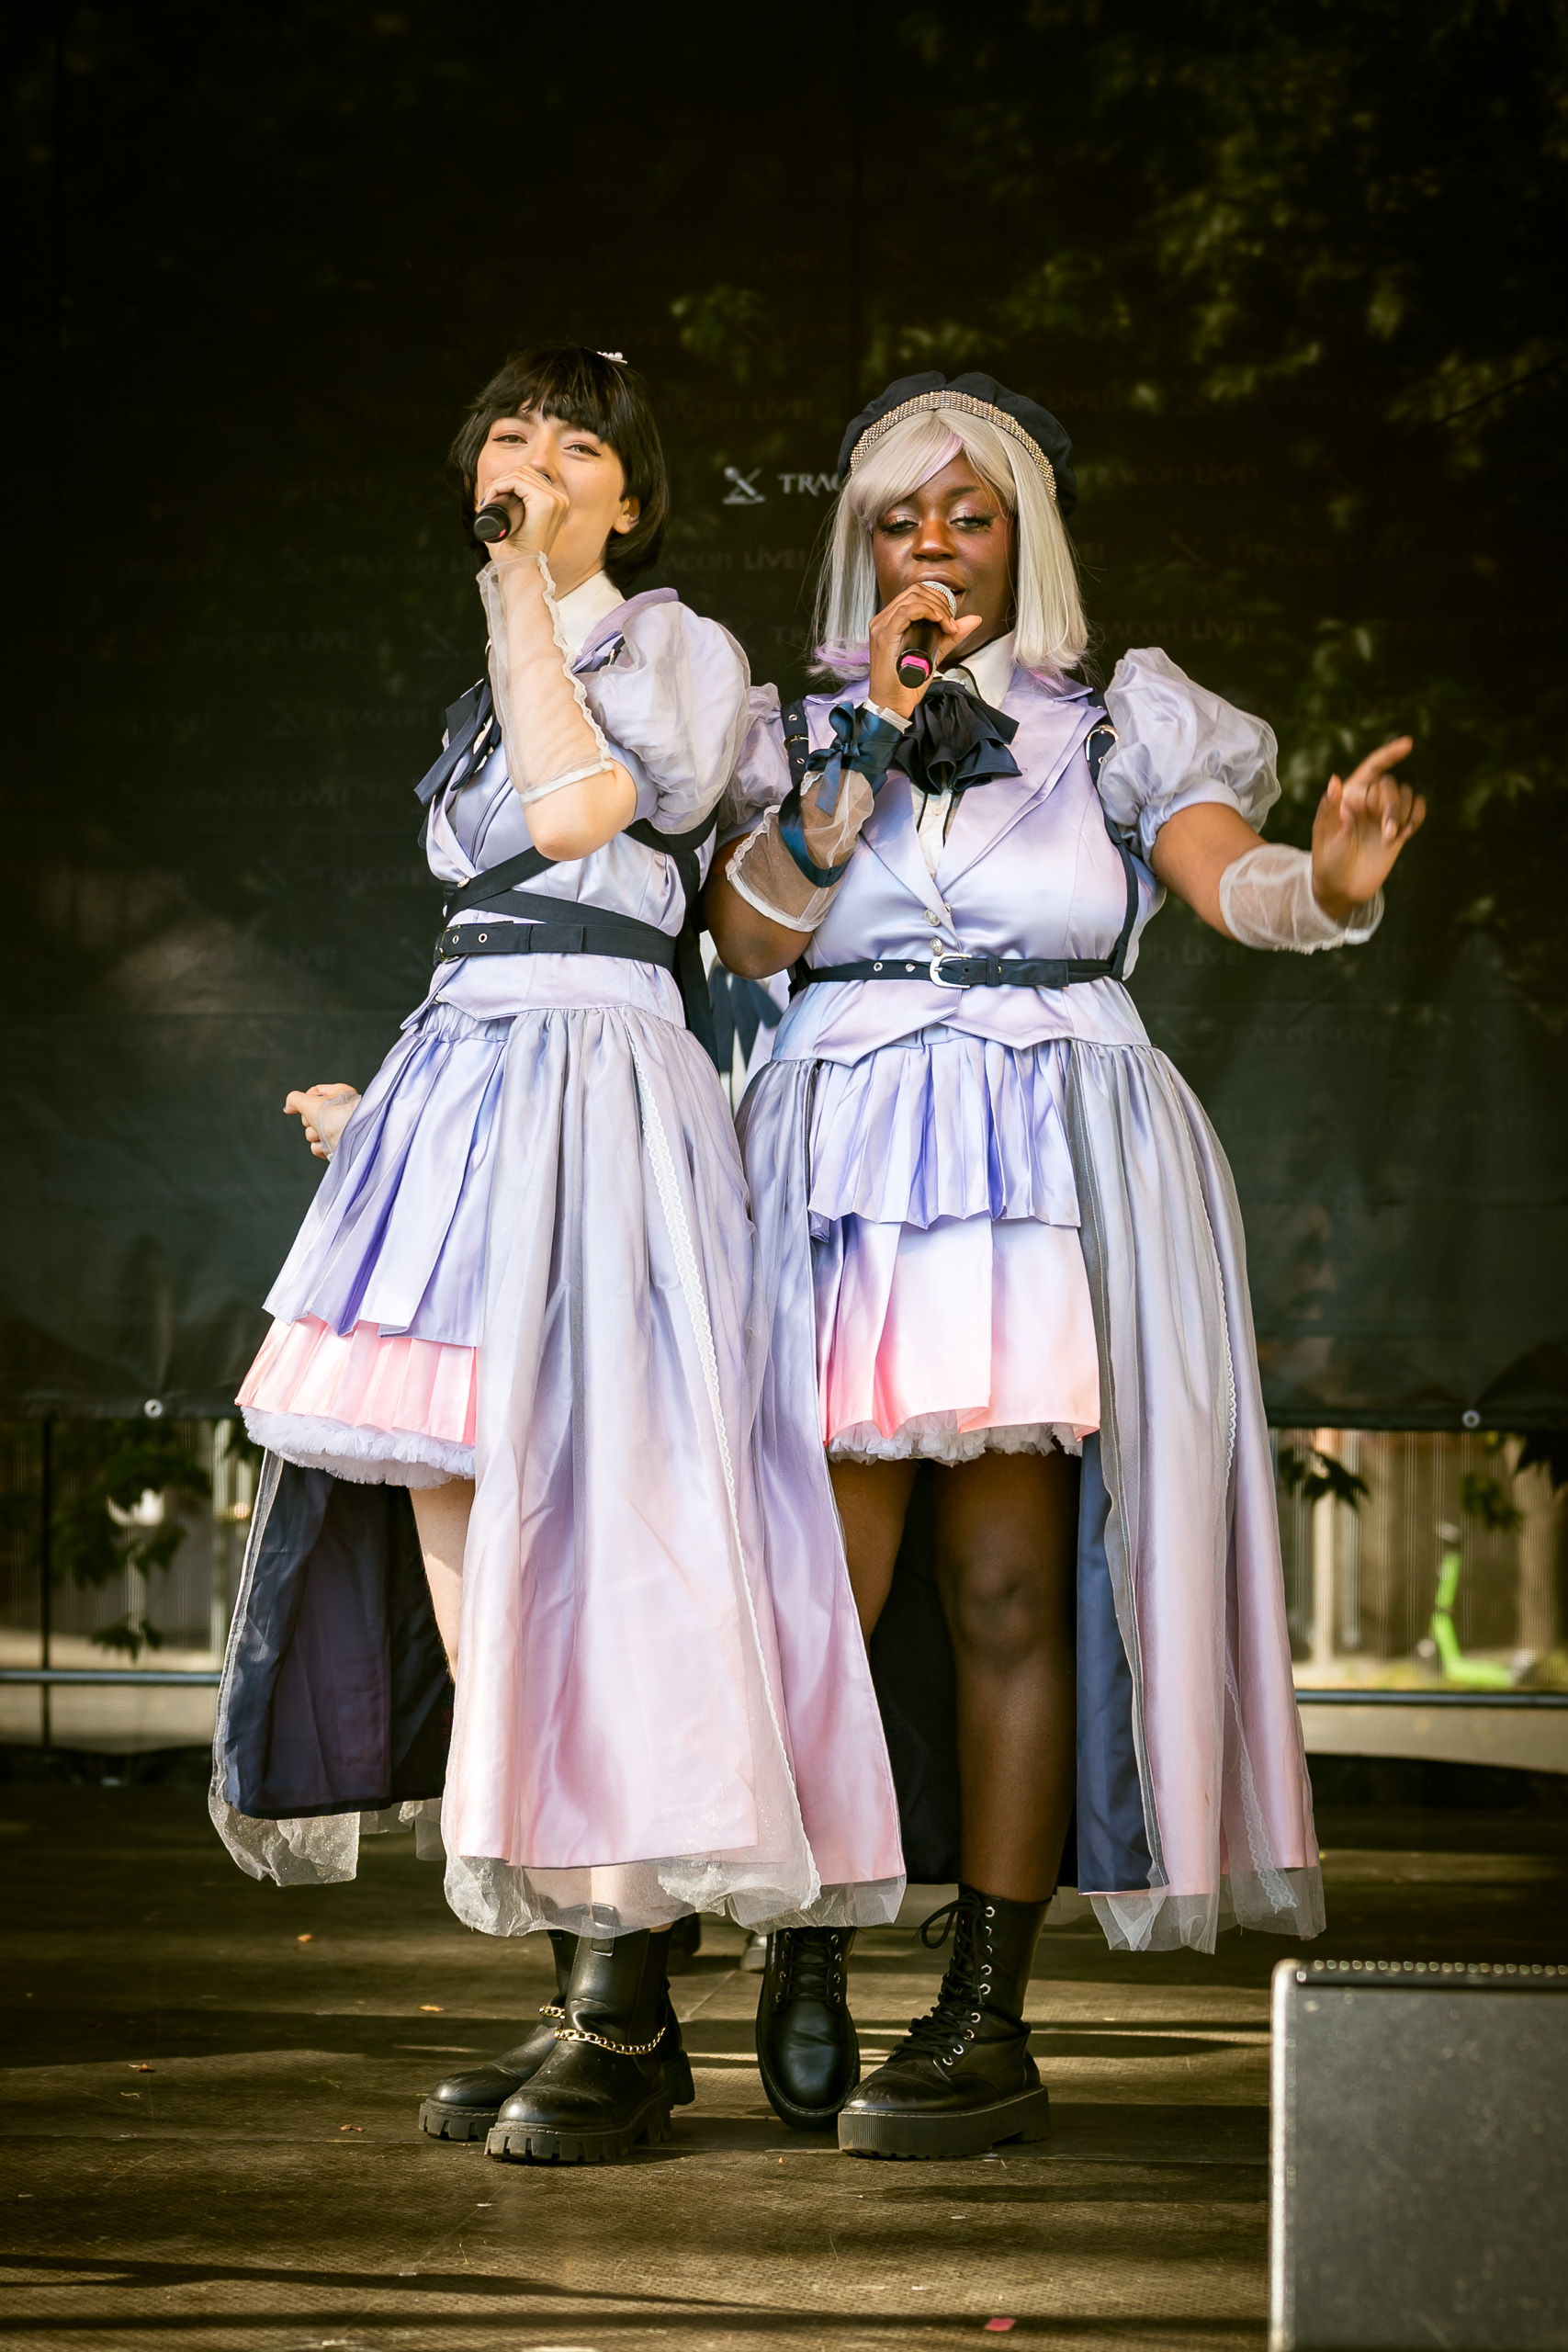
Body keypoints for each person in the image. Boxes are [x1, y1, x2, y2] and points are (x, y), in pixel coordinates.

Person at [707, 370, 1424, 2160]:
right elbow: (749, 937)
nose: (934, 543)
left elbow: (1231, 879)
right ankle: (808, 1936)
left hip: (1033, 1175)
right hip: (844, 1169)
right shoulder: (796, 726)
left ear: (1024, 538)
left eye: (969, 513)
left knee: (1011, 1593)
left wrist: (1329, 884)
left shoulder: (1115, 727)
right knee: (822, 1587)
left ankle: (987, 2007)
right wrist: (864, 747)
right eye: (899, 517)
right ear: (860, 548)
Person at [212, 345, 903, 2165]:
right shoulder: (490, 678)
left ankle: (624, 1982)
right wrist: (390, 1105)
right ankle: (605, 1990)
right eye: (509, 436)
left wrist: (525, 592)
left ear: (630, 498)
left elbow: (588, 819)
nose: (535, 456)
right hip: (469, 1088)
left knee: (607, 1527)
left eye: (576, 439)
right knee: (463, 1525)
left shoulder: (674, 651)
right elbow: (491, 916)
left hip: (604, 1083)